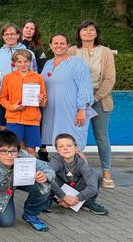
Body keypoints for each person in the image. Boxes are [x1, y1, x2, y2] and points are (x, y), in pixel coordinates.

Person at [0, 131, 53, 234]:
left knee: (46, 183)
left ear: (18, 150)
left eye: (13, 151)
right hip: (0, 191)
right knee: (6, 222)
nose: (10, 155)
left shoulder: (22, 154)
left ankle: (31, 214)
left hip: (18, 181)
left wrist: (46, 176)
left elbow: (46, 168)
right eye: (4, 151)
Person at [68, 20, 116, 189]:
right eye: (84, 30)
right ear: (79, 33)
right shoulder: (72, 51)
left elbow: (110, 78)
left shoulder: (105, 52)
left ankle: (107, 172)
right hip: (77, 102)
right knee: (73, 138)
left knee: (102, 137)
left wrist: (94, 98)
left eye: (91, 30)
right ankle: (73, 173)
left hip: (99, 100)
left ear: (96, 33)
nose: (88, 32)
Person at [40, 34, 94, 151]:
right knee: (59, 144)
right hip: (52, 111)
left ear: (68, 45)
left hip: (71, 111)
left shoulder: (77, 63)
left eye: (62, 43)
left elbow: (84, 87)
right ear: (50, 45)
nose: (59, 46)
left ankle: (81, 169)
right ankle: (64, 169)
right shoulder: (48, 63)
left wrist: (82, 110)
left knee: (74, 146)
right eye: (56, 43)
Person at [0, 49, 47, 156]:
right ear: (14, 63)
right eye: (19, 62)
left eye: (26, 61)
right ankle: (13, 172)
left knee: (31, 149)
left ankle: (31, 172)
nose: (23, 64)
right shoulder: (8, 78)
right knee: (13, 149)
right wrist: (12, 107)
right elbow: (2, 98)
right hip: (13, 119)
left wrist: (40, 100)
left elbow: (44, 101)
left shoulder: (38, 78)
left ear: (30, 62)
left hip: (32, 119)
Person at [0, 23, 36, 130]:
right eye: (6, 34)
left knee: (21, 129)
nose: (9, 37)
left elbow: (34, 75)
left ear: (18, 35)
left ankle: (21, 148)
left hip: (21, 99)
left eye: (12, 34)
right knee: (4, 129)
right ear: (2, 36)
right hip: (1, 98)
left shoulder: (29, 53)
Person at [49, 134, 108, 215]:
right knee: (46, 175)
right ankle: (48, 200)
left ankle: (88, 201)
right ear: (57, 150)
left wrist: (76, 198)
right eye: (61, 146)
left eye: (69, 145)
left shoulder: (80, 162)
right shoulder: (55, 161)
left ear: (76, 148)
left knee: (95, 174)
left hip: (75, 191)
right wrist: (64, 197)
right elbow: (47, 178)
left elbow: (93, 187)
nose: (65, 148)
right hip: (59, 191)